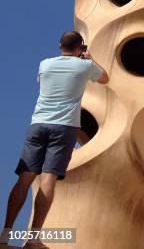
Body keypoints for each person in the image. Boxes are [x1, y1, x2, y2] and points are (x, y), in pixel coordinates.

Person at [1, 31, 109, 248]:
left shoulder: (45, 64)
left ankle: (6, 234)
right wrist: (89, 59)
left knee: (24, 179)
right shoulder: (84, 66)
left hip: (38, 123)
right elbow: (105, 77)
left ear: (60, 45)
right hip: (64, 127)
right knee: (48, 180)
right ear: (80, 47)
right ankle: (33, 239)